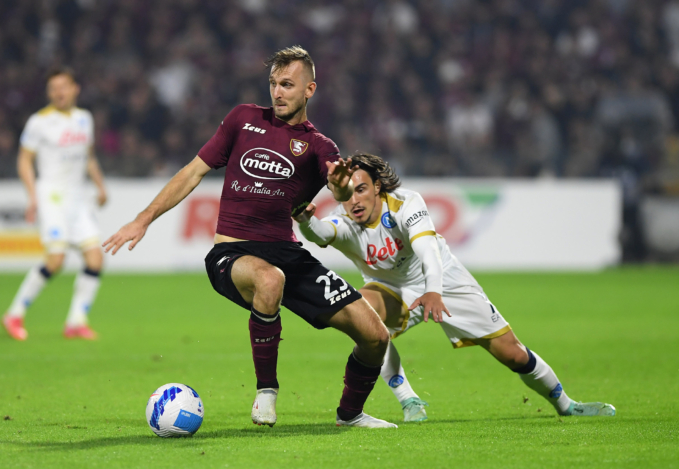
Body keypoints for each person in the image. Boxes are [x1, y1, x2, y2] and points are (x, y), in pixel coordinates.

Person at [103, 46, 396, 429]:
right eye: (273, 83)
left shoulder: (319, 145)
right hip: (233, 252)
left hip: (288, 253)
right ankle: (266, 393)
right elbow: (192, 172)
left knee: (375, 336)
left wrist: (341, 190)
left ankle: (350, 414)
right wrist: (144, 219)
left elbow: (338, 187)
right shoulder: (242, 119)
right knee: (268, 279)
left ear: (309, 89)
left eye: (287, 85)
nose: (277, 92)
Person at [296, 152, 616, 422]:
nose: (355, 200)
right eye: (348, 193)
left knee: (513, 354)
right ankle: (409, 400)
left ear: (377, 187)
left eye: (362, 189)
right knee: (366, 319)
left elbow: (428, 252)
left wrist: (433, 289)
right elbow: (323, 233)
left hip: (445, 280)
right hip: (389, 288)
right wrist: (306, 221)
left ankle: (567, 406)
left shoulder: (407, 203)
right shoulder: (345, 220)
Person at [2, 67, 107, 341]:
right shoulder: (39, 122)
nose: (59, 93)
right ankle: (14, 314)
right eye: (54, 89)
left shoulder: (85, 119)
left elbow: (89, 157)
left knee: (95, 259)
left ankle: (76, 321)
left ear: (75, 89)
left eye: (64, 87)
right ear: (49, 93)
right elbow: (24, 160)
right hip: (52, 196)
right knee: (56, 259)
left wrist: (100, 184)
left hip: (77, 198)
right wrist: (32, 195)